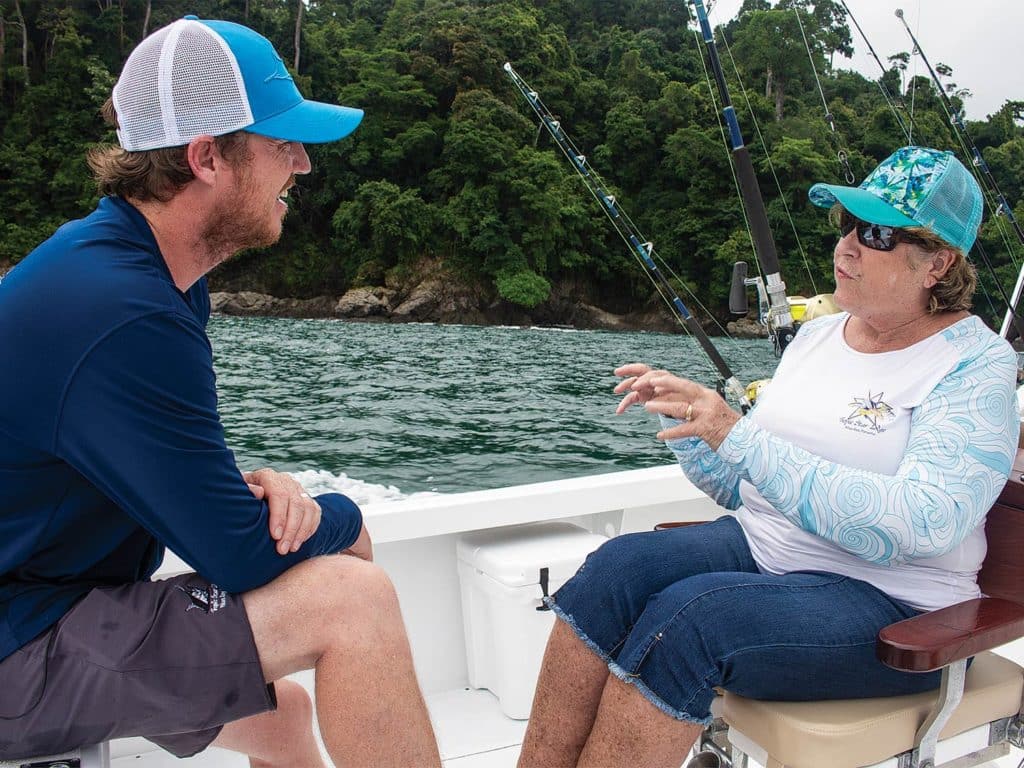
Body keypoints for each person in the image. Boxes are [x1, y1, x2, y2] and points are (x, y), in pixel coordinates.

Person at [0, 16, 441, 767]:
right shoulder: (124, 310)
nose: (301, 164)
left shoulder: (135, 271)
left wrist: (259, 491)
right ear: (206, 157)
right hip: (20, 637)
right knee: (351, 599)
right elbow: (239, 555)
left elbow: (154, 480)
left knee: (283, 716)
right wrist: (345, 518)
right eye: (282, 143)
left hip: (43, 602)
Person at [518, 146, 1019, 768]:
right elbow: (747, 488)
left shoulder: (975, 366)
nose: (846, 247)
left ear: (937, 263)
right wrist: (700, 429)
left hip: (898, 605)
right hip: (766, 548)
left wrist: (739, 434)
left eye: (876, 233)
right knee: (614, 569)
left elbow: (924, 523)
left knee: (691, 622)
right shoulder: (816, 336)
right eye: (845, 225)